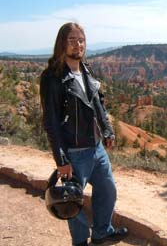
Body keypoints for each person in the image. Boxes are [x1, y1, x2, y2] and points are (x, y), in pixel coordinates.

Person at [40, 22, 128, 246]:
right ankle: (80, 242)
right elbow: (51, 122)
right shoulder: (52, 77)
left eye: (81, 40)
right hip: (75, 151)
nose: (78, 44)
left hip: (96, 148)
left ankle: (101, 232)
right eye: (72, 40)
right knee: (73, 199)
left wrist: (107, 131)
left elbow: (98, 104)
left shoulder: (86, 70)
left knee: (108, 190)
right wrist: (61, 159)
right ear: (62, 44)